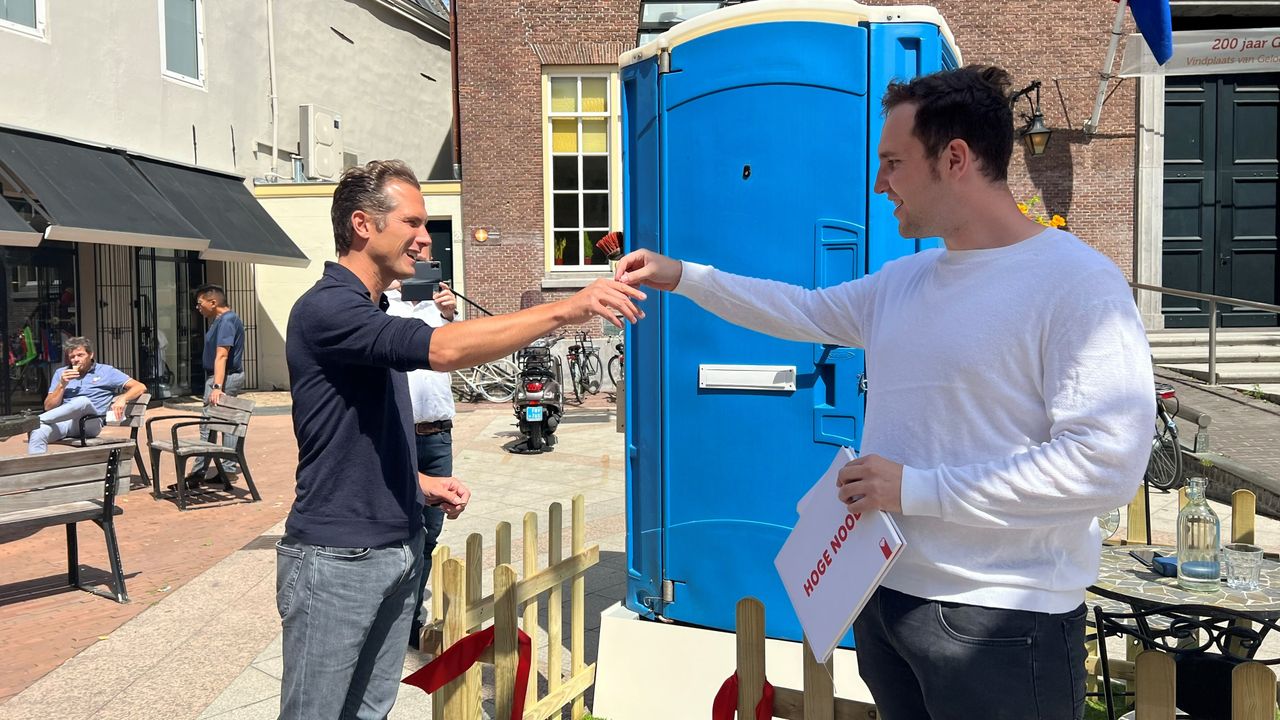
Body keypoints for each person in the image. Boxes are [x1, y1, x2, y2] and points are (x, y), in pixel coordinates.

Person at [613, 65, 1154, 720]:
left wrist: (916, 489)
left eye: (893, 163)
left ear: (955, 158)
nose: (879, 183)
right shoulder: (906, 279)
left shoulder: (1077, 284)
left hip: (1004, 623)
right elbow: (800, 309)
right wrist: (682, 275)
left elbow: (1106, 465)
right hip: (884, 601)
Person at [278, 159, 644, 720]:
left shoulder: (371, 308)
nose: (426, 239)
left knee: (368, 712)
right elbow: (445, 348)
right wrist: (565, 309)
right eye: (413, 223)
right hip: (338, 557)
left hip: (394, 546)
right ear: (362, 225)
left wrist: (417, 482)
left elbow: (352, 431)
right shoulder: (327, 308)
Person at [384, 249, 457, 650]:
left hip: (438, 434)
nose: (420, 264)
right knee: (402, 526)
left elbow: (451, 356)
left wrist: (447, 315)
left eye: (426, 260)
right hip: (401, 432)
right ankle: (399, 614)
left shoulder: (438, 309)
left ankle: (411, 616)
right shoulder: (382, 306)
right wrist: (389, 288)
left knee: (430, 531)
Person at [28, 337, 147, 454]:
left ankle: (35, 421)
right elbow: (48, 407)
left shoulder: (106, 371)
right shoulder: (61, 373)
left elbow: (140, 386)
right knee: (38, 431)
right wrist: (62, 385)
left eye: (80, 355)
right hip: (64, 423)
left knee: (82, 401)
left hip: (90, 423)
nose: (76, 359)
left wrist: (123, 398)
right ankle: (35, 471)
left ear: (90, 355)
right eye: (72, 357)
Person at [187, 284, 246, 484]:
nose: (198, 307)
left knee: (213, 424)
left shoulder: (227, 321)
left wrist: (217, 387)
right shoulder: (222, 320)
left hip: (223, 377)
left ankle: (206, 472)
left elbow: (222, 355)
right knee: (218, 424)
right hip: (222, 377)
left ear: (213, 302)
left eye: (199, 303)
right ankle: (218, 470)